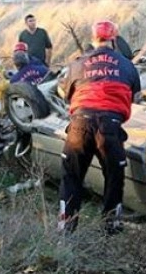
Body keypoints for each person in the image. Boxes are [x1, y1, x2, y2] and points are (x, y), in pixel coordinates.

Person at [58, 20, 141, 235]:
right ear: (114, 39)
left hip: (79, 125)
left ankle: (65, 229)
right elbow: (136, 96)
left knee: (71, 179)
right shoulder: (127, 65)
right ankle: (111, 229)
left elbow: (67, 95)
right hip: (110, 128)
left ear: (93, 39)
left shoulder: (77, 63)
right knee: (114, 179)